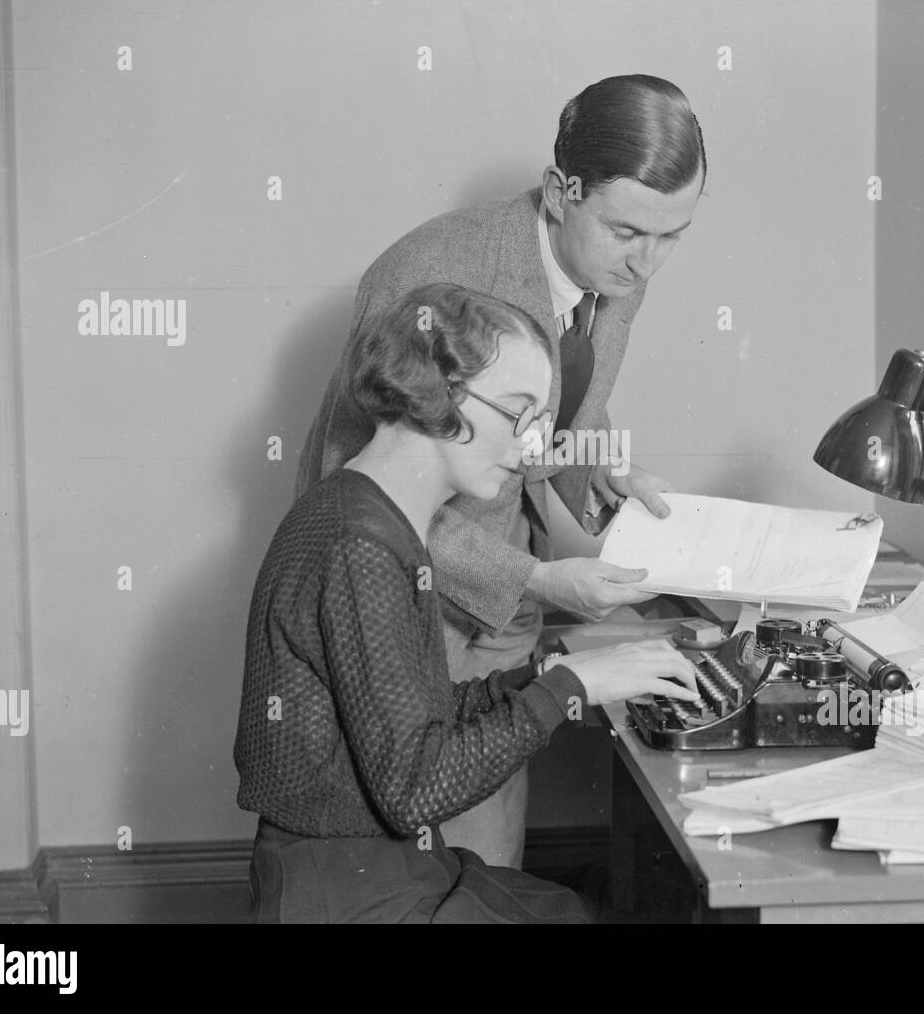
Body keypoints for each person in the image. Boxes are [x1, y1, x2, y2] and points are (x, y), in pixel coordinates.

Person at [295, 75, 707, 867]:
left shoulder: (615, 267)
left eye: (673, 236)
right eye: (628, 233)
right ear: (560, 192)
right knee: (411, 867)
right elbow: (350, 479)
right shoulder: (430, 276)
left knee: (483, 870)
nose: (649, 262)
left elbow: (560, 398)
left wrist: (598, 469)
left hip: (496, 601)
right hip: (397, 600)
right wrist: (534, 581)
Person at [234, 283, 699, 923]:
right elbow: (416, 788)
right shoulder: (360, 545)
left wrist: (550, 680)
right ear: (440, 393)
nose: (536, 448)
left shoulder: (372, 514)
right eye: (519, 414)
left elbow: (412, 714)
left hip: (367, 869)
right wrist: (567, 684)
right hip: (345, 894)